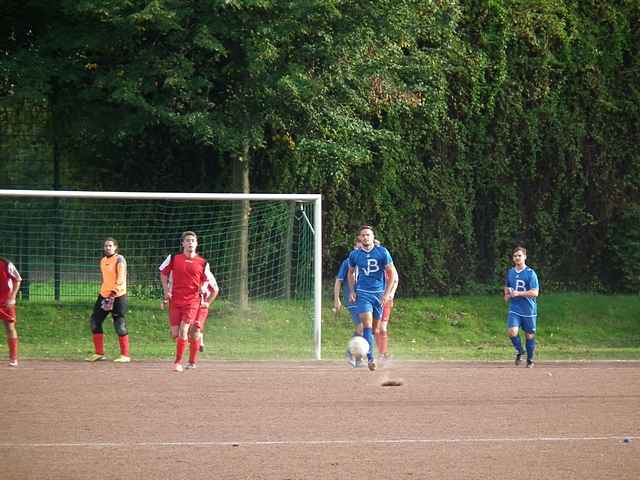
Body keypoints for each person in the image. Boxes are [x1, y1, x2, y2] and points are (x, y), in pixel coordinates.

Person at [159, 231, 216, 372]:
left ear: (196, 244)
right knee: (175, 334)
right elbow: (163, 273)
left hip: (192, 301)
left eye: (193, 240)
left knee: (185, 331)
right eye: (187, 240)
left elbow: (213, 287)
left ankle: (178, 362)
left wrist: (206, 301)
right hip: (175, 300)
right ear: (182, 243)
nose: (190, 243)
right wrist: (166, 292)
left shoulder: (202, 263)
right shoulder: (174, 258)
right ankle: (196, 339)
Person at [348, 225, 398, 371]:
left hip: (379, 295)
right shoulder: (355, 255)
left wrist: (387, 293)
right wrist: (352, 290)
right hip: (363, 294)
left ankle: (369, 353)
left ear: (372, 236)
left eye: (368, 235)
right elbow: (350, 273)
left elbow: (392, 274)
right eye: (363, 235)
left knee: (375, 329)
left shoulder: (382, 252)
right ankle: (370, 358)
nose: (365, 237)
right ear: (359, 238)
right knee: (367, 326)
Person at [86, 238, 131, 363]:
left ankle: (125, 355)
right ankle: (99, 353)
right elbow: (106, 279)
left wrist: (113, 294)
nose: (108, 248)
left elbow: (121, 278)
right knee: (95, 321)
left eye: (110, 246)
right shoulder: (103, 260)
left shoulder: (120, 259)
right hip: (104, 295)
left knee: (119, 324)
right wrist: (105, 294)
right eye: (106, 246)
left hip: (118, 296)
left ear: (115, 247)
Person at [503, 246, 540, 368]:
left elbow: (535, 292)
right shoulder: (511, 272)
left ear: (525, 257)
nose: (517, 257)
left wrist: (519, 293)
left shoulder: (531, 273)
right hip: (515, 308)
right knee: (512, 332)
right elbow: (507, 287)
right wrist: (507, 295)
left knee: (530, 336)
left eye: (519, 255)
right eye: (515, 256)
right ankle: (520, 351)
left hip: (529, 310)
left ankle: (530, 359)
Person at [334, 239, 364, 367]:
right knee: (362, 326)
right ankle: (350, 353)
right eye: (358, 247)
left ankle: (358, 358)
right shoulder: (347, 262)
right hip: (351, 299)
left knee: (366, 328)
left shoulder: (366, 262)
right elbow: (338, 281)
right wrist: (337, 299)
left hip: (364, 298)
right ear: (354, 247)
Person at [0, 257, 22, 367]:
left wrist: (12, 298)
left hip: (5, 302)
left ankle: (13, 358)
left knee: (10, 327)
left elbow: (18, 279)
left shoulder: (6, 264)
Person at [375, 264, 399, 360]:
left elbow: (396, 280)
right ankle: (381, 352)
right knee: (376, 328)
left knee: (383, 328)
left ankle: (383, 353)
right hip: (375, 299)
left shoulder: (389, 264)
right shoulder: (374, 265)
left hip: (386, 300)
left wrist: (391, 295)